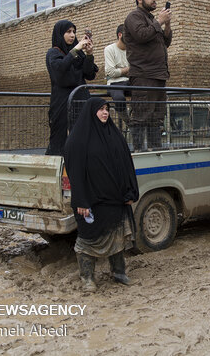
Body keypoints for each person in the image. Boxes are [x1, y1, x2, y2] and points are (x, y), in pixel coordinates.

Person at [63, 97, 139, 292]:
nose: (105, 113)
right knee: (88, 238)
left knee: (117, 234)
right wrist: (81, 200)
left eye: (107, 109)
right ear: (91, 112)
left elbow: (126, 165)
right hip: (91, 201)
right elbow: (75, 173)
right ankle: (87, 278)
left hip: (116, 199)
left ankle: (119, 272)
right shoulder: (78, 140)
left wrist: (131, 191)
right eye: (101, 109)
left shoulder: (114, 134)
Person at [124, 0, 172, 151]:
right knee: (141, 116)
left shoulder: (152, 20)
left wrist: (166, 24)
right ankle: (139, 152)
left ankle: (155, 152)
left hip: (159, 76)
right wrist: (159, 21)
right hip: (143, 76)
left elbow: (166, 42)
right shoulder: (134, 17)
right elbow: (142, 35)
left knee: (156, 117)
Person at [45, 19, 98, 155]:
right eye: (68, 32)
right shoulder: (53, 53)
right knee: (60, 140)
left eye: (74, 32)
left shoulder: (78, 54)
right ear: (60, 34)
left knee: (83, 137)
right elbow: (61, 68)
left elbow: (89, 74)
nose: (72, 35)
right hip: (63, 104)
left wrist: (89, 55)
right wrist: (75, 49)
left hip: (81, 101)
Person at [104, 24, 130, 119]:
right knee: (119, 98)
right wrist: (128, 69)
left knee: (144, 93)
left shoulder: (132, 50)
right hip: (114, 82)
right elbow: (110, 72)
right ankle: (128, 122)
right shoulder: (109, 49)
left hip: (130, 81)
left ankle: (139, 121)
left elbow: (137, 69)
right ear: (120, 35)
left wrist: (119, 71)